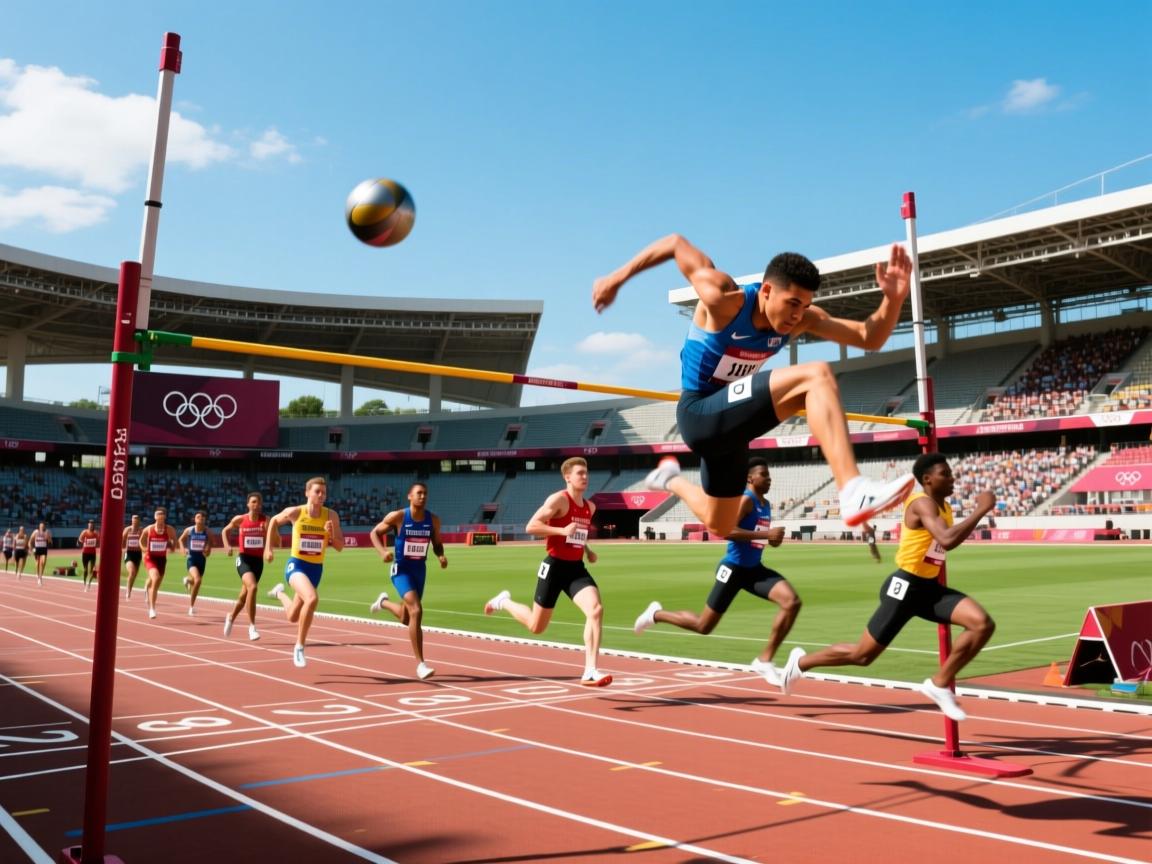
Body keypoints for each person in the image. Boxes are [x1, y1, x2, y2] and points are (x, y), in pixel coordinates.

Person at [592, 235, 915, 538]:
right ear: (765, 291)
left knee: (721, 523)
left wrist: (893, 299)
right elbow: (675, 244)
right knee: (816, 376)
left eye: (804, 305)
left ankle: (671, 480)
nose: (797, 315)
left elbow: (868, 337)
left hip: (730, 426)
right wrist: (615, 279)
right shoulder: (723, 298)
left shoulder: (803, 318)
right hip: (699, 412)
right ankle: (852, 489)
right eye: (791, 303)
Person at [778, 452, 997, 722]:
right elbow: (947, 539)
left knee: (982, 623)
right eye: (946, 474)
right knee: (862, 655)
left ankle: (939, 684)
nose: (952, 478)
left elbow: (943, 542)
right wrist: (981, 509)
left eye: (951, 473)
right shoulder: (920, 503)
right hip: (904, 587)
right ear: (927, 480)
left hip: (929, 588)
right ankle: (800, 663)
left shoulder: (945, 508)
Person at [634, 458, 801, 686]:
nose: (769, 479)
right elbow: (727, 530)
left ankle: (764, 660)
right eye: (765, 474)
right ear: (750, 478)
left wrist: (772, 539)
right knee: (704, 626)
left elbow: (760, 538)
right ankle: (656, 614)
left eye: (769, 475)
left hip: (753, 570)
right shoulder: (746, 500)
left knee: (792, 602)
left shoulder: (766, 504)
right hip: (732, 569)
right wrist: (765, 535)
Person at [483, 457, 612, 687]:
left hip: (575, 569)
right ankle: (504, 602)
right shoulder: (558, 500)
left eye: (586, 473)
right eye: (580, 473)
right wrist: (561, 530)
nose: (585, 477)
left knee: (596, 610)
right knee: (536, 626)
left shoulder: (589, 507)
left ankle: (590, 670)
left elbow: (577, 534)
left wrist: (588, 550)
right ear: (568, 477)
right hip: (554, 567)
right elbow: (531, 526)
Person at [368, 481, 448, 680]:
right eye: (419, 493)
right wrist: (382, 552)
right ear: (409, 496)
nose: (423, 496)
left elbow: (437, 544)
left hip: (419, 570)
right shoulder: (399, 517)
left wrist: (440, 556)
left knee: (407, 617)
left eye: (425, 494)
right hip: (401, 570)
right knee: (417, 611)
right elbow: (375, 533)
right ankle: (421, 664)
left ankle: (383, 603)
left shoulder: (433, 520)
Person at [265, 477, 344, 668]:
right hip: (296, 566)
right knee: (312, 598)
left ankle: (279, 593)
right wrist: (268, 548)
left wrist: (331, 534)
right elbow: (274, 521)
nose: (321, 495)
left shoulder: (330, 515)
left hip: (315, 569)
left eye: (324, 492)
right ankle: (299, 646)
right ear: (307, 493)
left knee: (292, 616)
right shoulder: (296, 512)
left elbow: (340, 547)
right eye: (317, 491)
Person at [220, 492, 268, 642]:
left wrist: (270, 547)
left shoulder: (265, 521)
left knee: (244, 595)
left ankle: (231, 617)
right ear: (248, 504)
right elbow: (224, 531)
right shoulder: (240, 520)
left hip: (258, 562)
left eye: (259, 503)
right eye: (253, 502)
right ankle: (252, 627)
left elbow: (274, 538)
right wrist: (227, 546)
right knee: (252, 587)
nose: (256, 505)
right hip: (243, 559)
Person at [141, 508, 178, 620]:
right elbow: (141, 539)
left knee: (156, 585)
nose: (160, 517)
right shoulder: (150, 529)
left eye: (162, 515)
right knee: (155, 578)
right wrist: (144, 549)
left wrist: (173, 546)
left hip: (162, 559)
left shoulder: (169, 529)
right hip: (150, 558)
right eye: (158, 515)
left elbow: (174, 539)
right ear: (155, 517)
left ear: (165, 517)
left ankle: (148, 587)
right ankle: (152, 609)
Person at [177, 511, 214, 617]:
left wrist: (208, 548)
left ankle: (187, 580)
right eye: (198, 517)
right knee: (198, 580)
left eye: (203, 517)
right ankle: (191, 607)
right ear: (195, 519)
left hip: (202, 560)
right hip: (191, 559)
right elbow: (180, 539)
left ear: (205, 520)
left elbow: (211, 543)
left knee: (195, 582)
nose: (200, 519)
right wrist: (182, 548)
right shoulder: (189, 530)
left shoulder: (208, 532)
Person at [122, 514, 144, 600]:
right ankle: (127, 591)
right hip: (129, 553)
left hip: (138, 554)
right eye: (133, 519)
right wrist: (121, 549)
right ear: (131, 520)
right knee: (132, 572)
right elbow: (122, 540)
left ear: (139, 521)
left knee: (134, 575)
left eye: (137, 519)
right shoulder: (127, 530)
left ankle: (130, 590)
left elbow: (144, 541)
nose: (135, 520)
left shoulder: (141, 531)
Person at [77, 520, 99, 591]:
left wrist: (97, 544)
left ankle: (89, 583)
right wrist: (81, 542)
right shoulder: (84, 532)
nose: (90, 526)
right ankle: (85, 583)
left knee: (92, 570)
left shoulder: (96, 533)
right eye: (89, 525)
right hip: (85, 553)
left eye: (92, 525)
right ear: (88, 526)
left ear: (93, 526)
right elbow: (80, 539)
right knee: (85, 570)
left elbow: (99, 541)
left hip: (92, 553)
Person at [30, 522, 52, 586]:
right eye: (41, 526)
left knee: (44, 561)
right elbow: (30, 540)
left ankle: (40, 576)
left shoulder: (47, 532)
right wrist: (31, 548)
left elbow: (50, 541)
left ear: (44, 527)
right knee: (38, 562)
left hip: (44, 548)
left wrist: (49, 538)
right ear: (39, 526)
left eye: (43, 526)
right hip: (37, 548)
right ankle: (37, 575)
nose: (42, 527)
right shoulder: (36, 532)